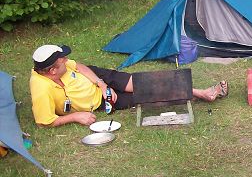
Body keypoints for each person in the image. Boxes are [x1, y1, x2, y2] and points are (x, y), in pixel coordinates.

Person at [29, 44, 228, 127]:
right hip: (101, 102)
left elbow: (79, 66)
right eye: (62, 60)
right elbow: (44, 122)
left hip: (99, 79)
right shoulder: (41, 88)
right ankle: (199, 94)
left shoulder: (61, 67)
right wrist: (75, 117)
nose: (66, 60)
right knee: (147, 95)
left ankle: (201, 92)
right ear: (52, 71)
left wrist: (101, 83)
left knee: (142, 81)